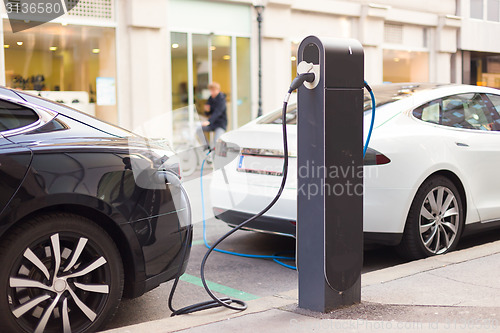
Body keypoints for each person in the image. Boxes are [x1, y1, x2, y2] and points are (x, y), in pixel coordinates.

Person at [201, 82, 227, 148]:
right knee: (199, 129)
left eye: (213, 90)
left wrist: (209, 121)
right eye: (211, 90)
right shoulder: (210, 98)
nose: (212, 92)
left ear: (218, 90)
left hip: (220, 124)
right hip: (212, 124)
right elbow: (208, 113)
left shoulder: (222, 99)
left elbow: (217, 113)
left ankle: (215, 155)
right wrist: (206, 110)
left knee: (216, 141)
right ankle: (207, 147)